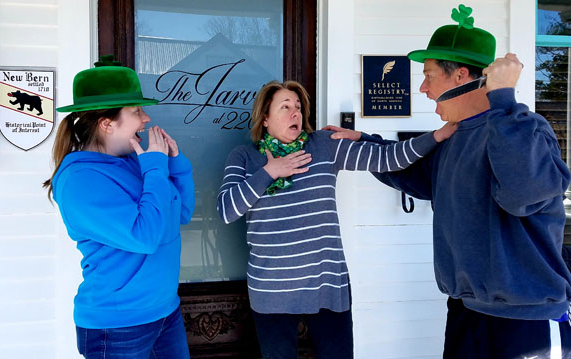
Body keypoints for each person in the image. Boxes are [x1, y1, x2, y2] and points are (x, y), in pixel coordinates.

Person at [325, 4, 571, 359]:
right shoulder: (452, 138)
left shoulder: (525, 128)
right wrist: (362, 143)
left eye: (429, 75)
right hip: (466, 314)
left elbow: (522, 194)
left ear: (460, 77)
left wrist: (503, 100)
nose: (423, 88)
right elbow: (412, 174)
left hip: (526, 320)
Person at [215, 80, 455, 359]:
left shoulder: (323, 146)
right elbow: (227, 210)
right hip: (272, 290)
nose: (295, 113)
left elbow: (388, 158)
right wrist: (269, 172)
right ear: (265, 118)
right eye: (285, 107)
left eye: (297, 107)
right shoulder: (245, 157)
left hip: (326, 284)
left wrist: (436, 136)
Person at [43, 55, 195, 359]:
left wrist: (175, 165)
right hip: (118, 327)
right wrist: (154, 168)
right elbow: (144, 237)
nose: (146, 119)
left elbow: (180, 213)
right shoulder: (79, 180)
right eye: (136, 111)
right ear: (107, 124)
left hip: (164, 311)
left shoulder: (133, 162)